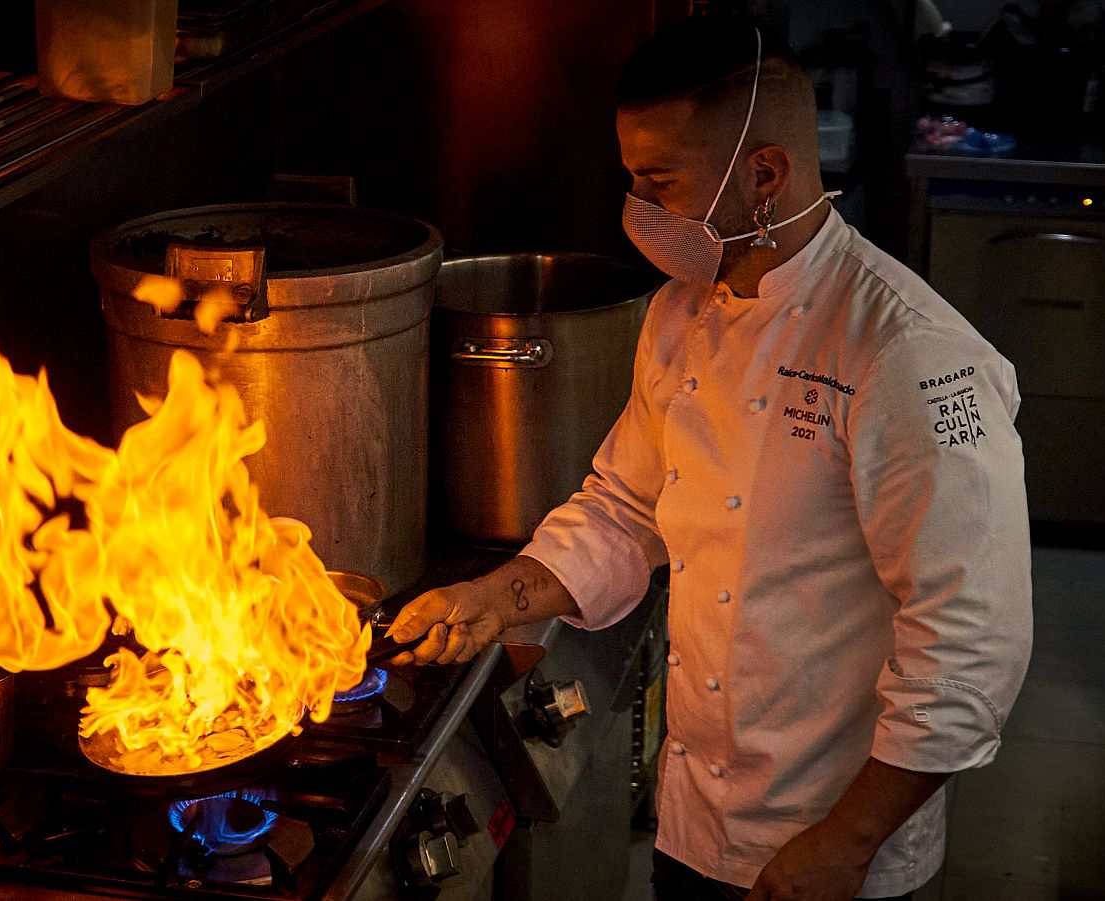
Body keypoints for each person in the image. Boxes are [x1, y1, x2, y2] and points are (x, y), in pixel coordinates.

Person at [387, 16, 1032, 901]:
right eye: (632, 178)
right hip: (695, 821)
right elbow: (624, 504)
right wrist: (493, 597)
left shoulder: (908, 353)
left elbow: (971, 643)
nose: (638, 208)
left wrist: (849, 841)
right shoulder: (679, 313)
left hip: (833, 843)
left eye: (660, 180)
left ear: (764, 174)